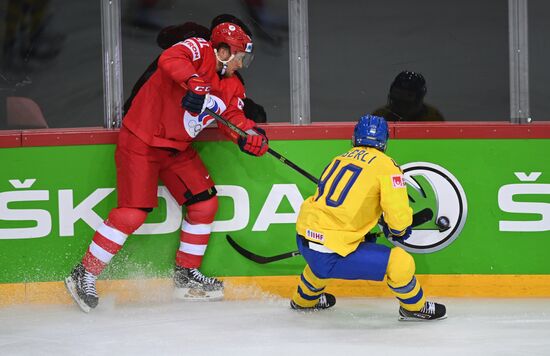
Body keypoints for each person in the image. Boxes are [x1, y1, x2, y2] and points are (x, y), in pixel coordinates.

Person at [65, 21, 269, 312]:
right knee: (132, 213)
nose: (242, 64)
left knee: (204, 203)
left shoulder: (233, 85)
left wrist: (249, 136)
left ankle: (186, 276)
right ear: (223, 50)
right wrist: (193, 81)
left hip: (177, 150)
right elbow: (170, 59)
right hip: (141, 141)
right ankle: (83, 273)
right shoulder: (199, 50)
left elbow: (232, 117)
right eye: (240, 56)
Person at [289, 115, 447, 321]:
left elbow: (334, 208)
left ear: (355, 138)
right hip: (329, 253)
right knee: (400, 262)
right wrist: (399, 230)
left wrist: (360, 237)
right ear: (384, 141)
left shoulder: (340, 158)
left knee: (321, 255)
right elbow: (397, 216)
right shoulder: (389, 168)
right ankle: (414, 307)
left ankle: (303, 300)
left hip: (304, 239)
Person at [372, 71, 444, 122]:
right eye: (397, 94)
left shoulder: (432, 118)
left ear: (418, 99)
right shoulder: (380, 117)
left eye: (406, 104)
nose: (401, 107)